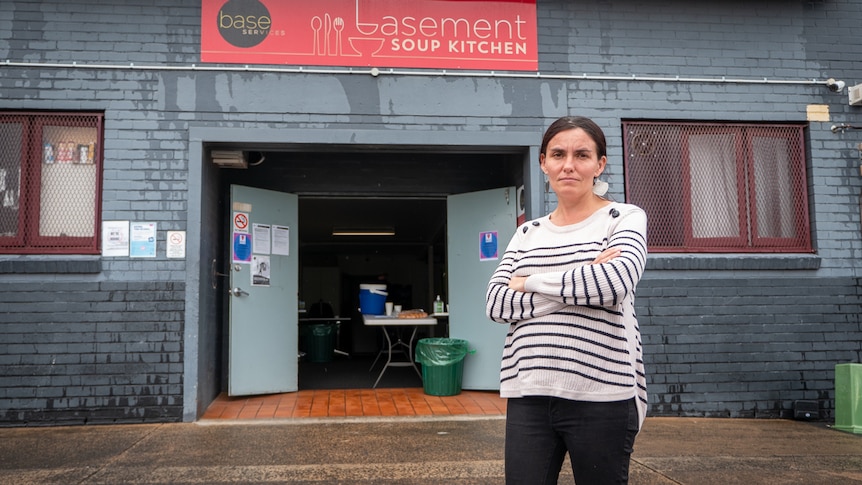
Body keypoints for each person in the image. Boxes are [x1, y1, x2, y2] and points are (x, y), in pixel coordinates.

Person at [485, 116, 648, 484]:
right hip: (529, 391)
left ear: (600, 164)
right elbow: (496, 303)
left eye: (582, 154)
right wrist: (583, 275)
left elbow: (614, 284)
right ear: (543, 162)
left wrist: (530, 282)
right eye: (558, 154)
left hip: (603, 393)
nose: (569, 164)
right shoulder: (527, 232)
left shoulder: (622, 218)